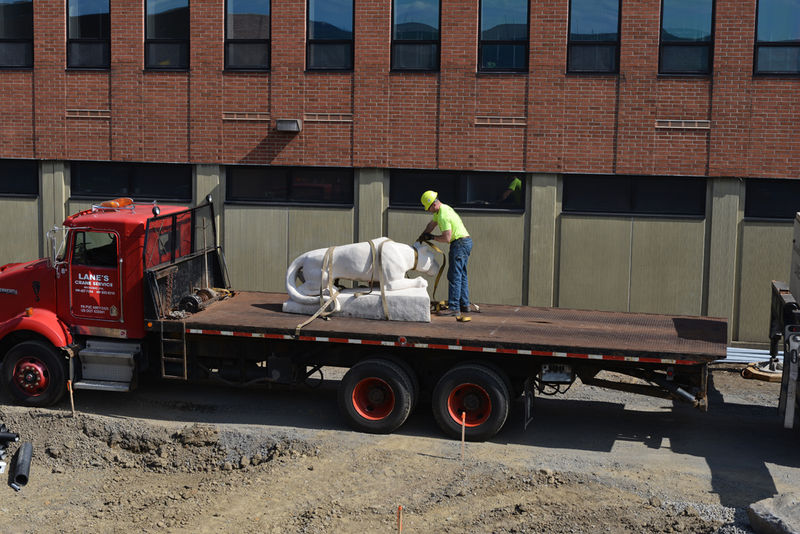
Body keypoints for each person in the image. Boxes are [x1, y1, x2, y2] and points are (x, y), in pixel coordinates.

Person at [419, 190, 473, 318]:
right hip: (466, 242)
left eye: (428, 208)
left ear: (434, 205)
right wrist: (422, 235)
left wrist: (431, 237)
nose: (428, 211)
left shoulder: (443, 215)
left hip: (459, 244)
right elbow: (431, 225)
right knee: (461, 274)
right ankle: (464, 304)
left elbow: (447, 238)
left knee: (454, 276)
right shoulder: (443, 209)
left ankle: (454, 307)